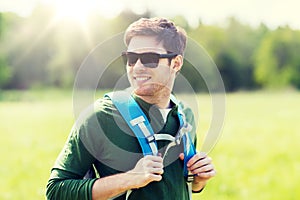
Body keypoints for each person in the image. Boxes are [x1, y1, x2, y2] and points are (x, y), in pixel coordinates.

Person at [46, 17, 216, 200]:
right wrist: (129, 179)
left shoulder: (185, 116)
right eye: (131, 59)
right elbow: (56, 191)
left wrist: (198, 181)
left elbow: (177, 185)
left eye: (150, 59)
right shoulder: (100, 117)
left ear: (176, 63)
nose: (137, 67)